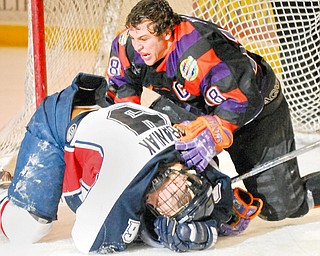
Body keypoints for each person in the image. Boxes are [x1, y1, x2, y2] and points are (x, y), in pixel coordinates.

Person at [106, 0, 320, 224]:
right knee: (153, 144)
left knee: (280, 208)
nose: (137, 47)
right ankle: (205, 204)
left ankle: (233, 201)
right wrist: (127, 132)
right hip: (191, 105)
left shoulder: (201, 51)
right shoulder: (127, 46)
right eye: (134, 38)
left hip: (255, 114)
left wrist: (212, 133)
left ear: (167, 34)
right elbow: (122, 87)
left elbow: (243, 99)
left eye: (144, 40)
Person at [0, 72, 262, 253]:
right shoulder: (125, 183)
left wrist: (218, 218)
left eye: (179, 200)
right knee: (25, 228)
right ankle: (4, 191)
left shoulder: (185, 154)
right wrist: (156, 232)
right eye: (187, 190)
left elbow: (217, 183)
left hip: (103, 121)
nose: (183, 188)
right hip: (58, 125)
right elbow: (87, 241)